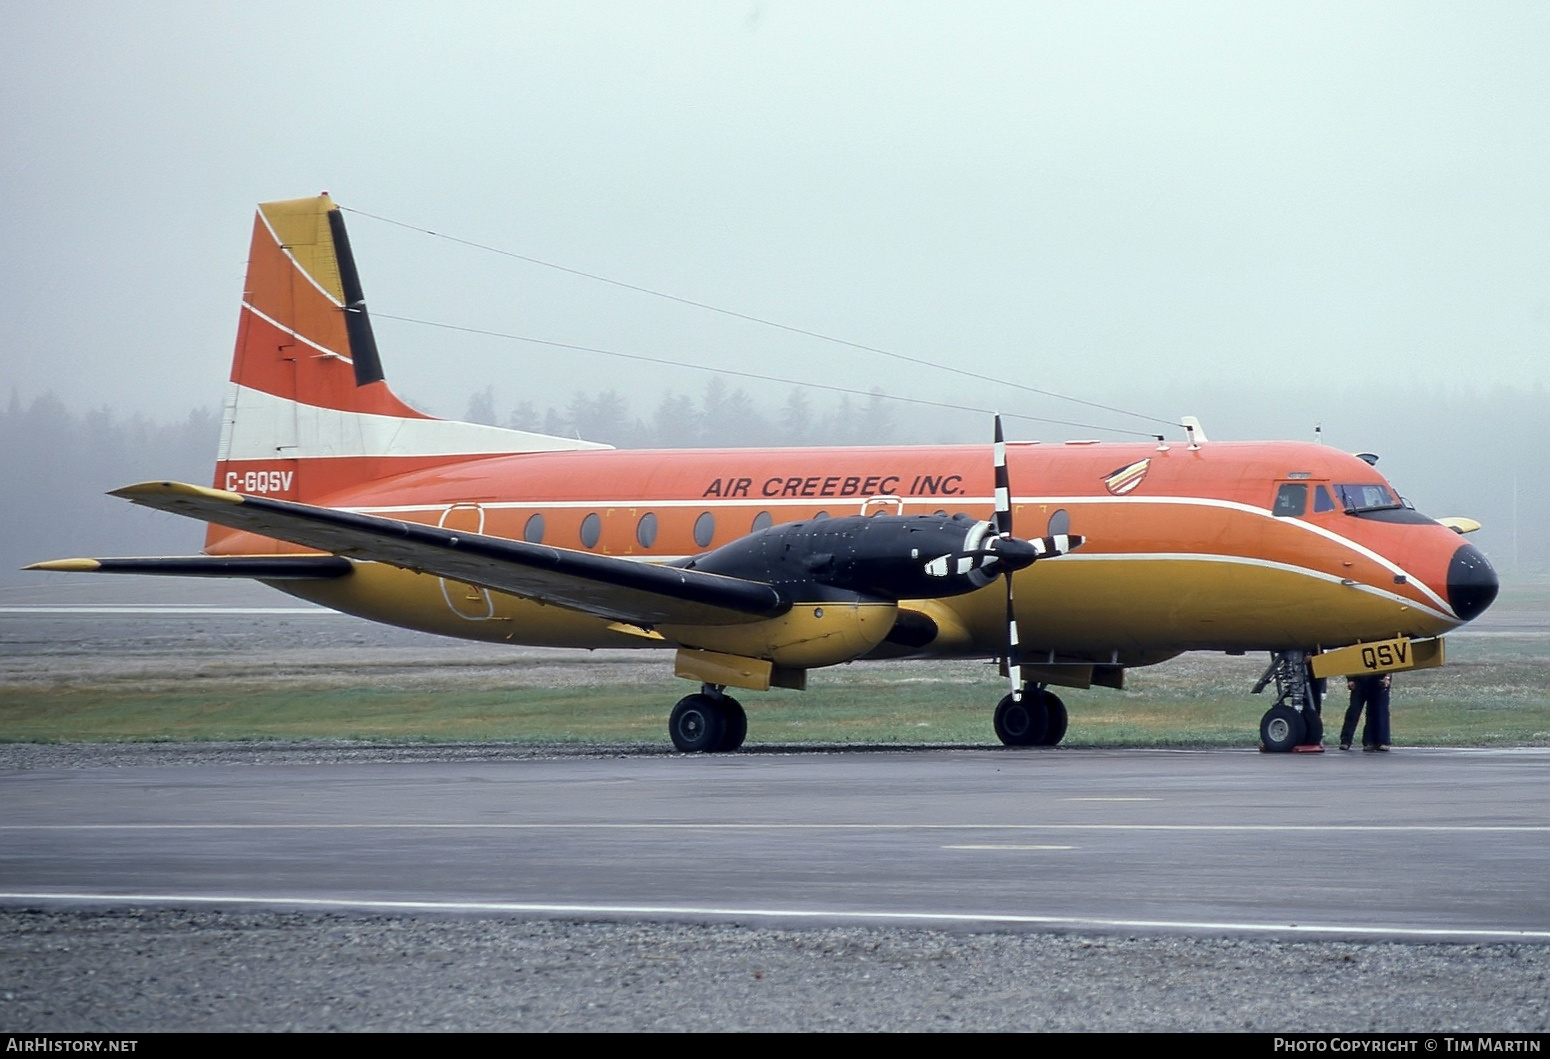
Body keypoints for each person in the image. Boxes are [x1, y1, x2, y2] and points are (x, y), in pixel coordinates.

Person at [1340, 673, 1391, 751]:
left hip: (1378, 676)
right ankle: (1346, 741)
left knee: (1378, 710)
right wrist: (1350, 679)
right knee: (1354, 710)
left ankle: (1377, 741)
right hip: (1359, 678)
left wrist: (1387, 677)